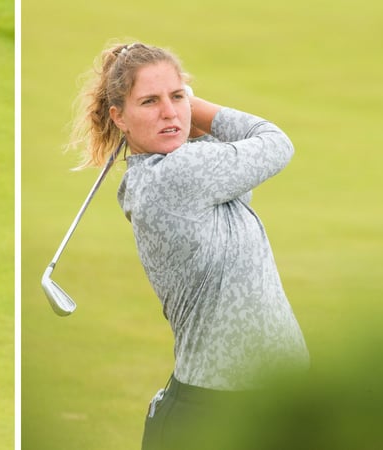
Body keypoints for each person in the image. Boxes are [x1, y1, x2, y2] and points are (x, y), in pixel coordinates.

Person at [69, 42, 310, 449]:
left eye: (176, 96)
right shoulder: (175, 176)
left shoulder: (178, 164)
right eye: (149, 101)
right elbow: (274, 142)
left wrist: (175, 115)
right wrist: (193, 108)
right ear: (119, 118)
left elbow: (213, 150)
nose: (168, 111)